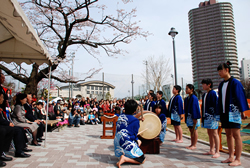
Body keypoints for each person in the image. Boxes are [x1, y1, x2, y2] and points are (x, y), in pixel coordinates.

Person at [217, 61, 249, 166]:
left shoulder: (235, 82)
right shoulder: (221, 84)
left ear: (227, 70)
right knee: (228, 134)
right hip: (225, 113)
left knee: (236, 134)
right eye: (218, 71)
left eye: (221, 70)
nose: (219, 73)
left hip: (234, 112)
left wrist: (242, 111)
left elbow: (240, 97)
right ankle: (231, 156)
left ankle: (238, 159)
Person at [114, 100, 146, 168]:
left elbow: (128, 119)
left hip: (117, 144)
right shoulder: (135, 121)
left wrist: (138, 119)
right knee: (142, 159)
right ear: (134, 111)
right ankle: (125, 159)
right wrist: (137, 141)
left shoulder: (120, 117)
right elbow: (134, 136)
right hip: (126, 144)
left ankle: (125, 154)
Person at [201, 78, 220, 158]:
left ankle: (217, 151)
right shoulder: (204, 95)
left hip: (213, 116)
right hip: (206, 116)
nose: (202, 85)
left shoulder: (213, 93)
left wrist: (217, 116)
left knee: (215, 133)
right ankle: (211, 149)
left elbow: (216, 105)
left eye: (204, 84)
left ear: (209, 85)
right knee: (209, 133)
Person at [184, 84, 201, 150]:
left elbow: (195, 108)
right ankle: (192, 143)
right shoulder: (187, 98)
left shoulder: (194, 98)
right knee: (191, 130)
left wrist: (195, 118)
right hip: (189, 116)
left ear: (192, 89)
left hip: (194, 116)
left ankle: (194, 144)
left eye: (187, 88)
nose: (186, 90)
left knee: (194, 130)